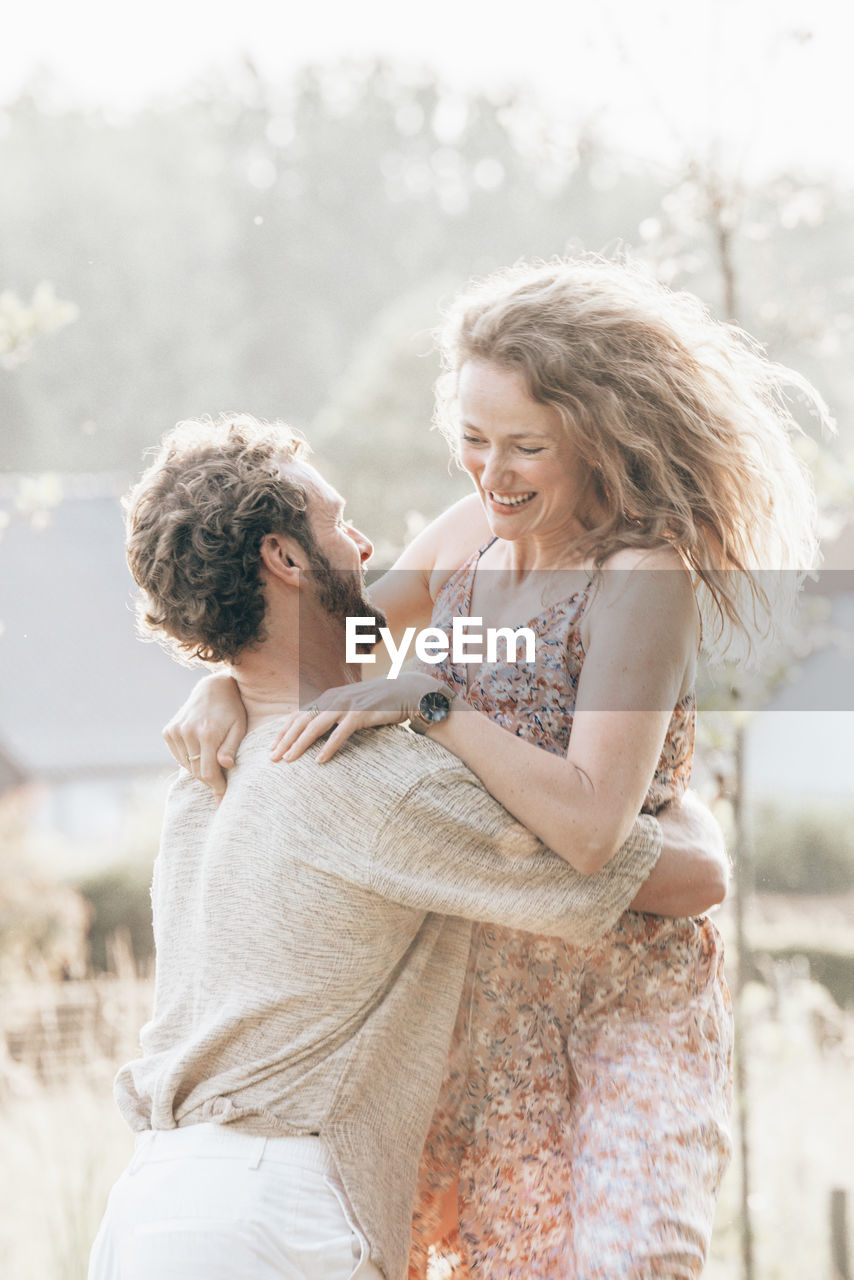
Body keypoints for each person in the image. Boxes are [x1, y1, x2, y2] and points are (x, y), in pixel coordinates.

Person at [166, 256, 823, 1277]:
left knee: (630, 1258)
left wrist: (434, 703)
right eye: (471, 441)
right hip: (483, 999)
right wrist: (224, 686)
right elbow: (323, 642)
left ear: (599, 437)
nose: (490, 473)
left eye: (526, 446)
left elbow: (590, 824)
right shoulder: (474, 530)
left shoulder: (638, 580)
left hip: (620, 998)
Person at [89, 414, 728, 1280]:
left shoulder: (208, 772)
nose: (362, 541)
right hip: (272, 1209)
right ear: (284, 559)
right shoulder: (383, 781)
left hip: (148, 1206)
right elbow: (685, 879)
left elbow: (343, 645)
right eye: (336, 521)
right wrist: (680, 800)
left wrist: (223, 677)